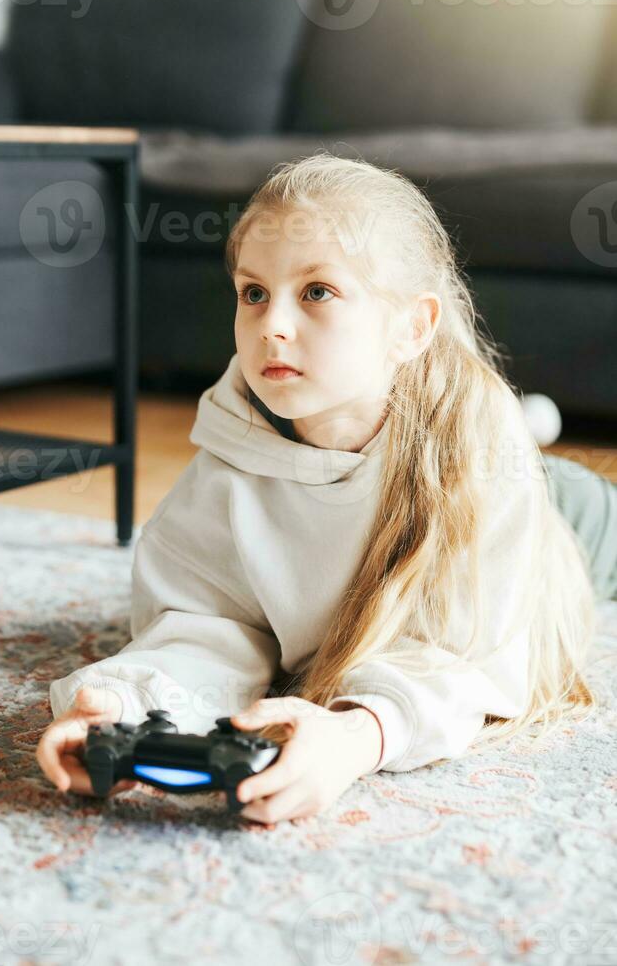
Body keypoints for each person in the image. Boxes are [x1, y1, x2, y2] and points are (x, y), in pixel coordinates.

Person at [36, 153, 616, 825]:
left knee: (558, 484)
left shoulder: (480, 462)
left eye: (316, 292)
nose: (272, 325)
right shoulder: (233, 444)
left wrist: (354, 736)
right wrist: (121, 703)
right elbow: (208, 618)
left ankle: (530, 427)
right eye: (254, 293)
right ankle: (535, 418)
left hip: (570, 518)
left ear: (412, 328)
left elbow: (466, 658)